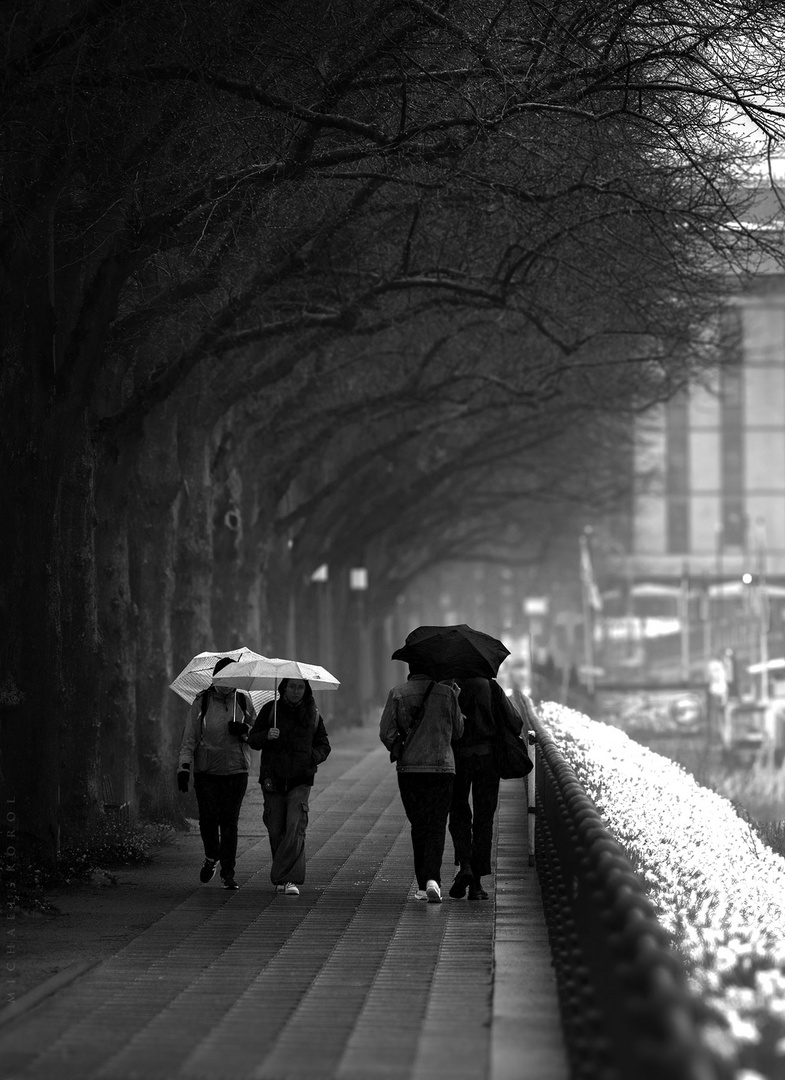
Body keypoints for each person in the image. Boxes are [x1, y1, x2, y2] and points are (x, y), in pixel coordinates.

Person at [379, 669, 464, 903]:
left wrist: (402, 747)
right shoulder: (447, 694)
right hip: (442, 769)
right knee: (437, 824)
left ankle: (421, 884)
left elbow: (386, 732)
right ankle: (432, 880)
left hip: (410, 770)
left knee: (419, 824)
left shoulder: (398, 693)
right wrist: (454, 697)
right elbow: (458, 732)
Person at [177, 657, 256, 890]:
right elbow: (189, 737)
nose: (226, 681)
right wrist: (183, 767)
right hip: (207, 771)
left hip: (236, 770)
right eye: (222, 676)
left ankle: (228, 872)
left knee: (230, 822)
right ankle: (212, 856)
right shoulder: (201, 702)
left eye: (231, 676)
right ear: (215, 677)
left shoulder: (242, 700)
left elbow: (257, 734)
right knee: (208, 820)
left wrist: (244, 730)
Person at [247, 678, 331, 896]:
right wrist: (267, 735)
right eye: (292, 686)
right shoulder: (270, 710)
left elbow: (324, 744)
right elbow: (253, 740)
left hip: (300, 780)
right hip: (273, 779)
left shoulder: (313, 713)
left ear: (306, 689)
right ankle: (283, 874)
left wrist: (312, 758)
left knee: (295, 826)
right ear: (283, 688)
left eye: (300, 687)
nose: (296, 691)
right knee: (276, 828)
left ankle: (288, 879)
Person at [446, 676, 523, 900]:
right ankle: (477, 884)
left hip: (458, 759)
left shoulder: (450, 686)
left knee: (458, 811)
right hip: (487, 759)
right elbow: (515, 720)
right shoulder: (491, 686)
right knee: (484, 818)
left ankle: (466, 864)